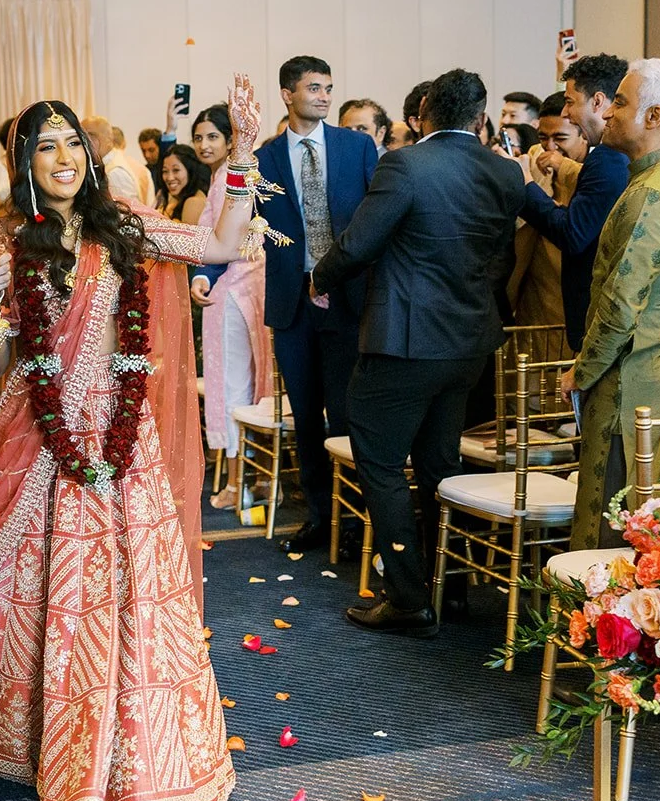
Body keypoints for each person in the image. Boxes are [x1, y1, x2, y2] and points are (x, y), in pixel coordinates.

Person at [0, 82, 270, 801]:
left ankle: (135, 747)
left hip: (124, 443)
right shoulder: (4, 237)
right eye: (45, 147)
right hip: (40, 437)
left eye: (72, 145)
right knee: (35, 587)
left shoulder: (124, 224)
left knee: (132, 592)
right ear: (23, 163)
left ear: (89, 156)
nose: (62, 159)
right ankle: (36, 732)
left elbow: (220, 243)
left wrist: (243, 158)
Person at [311, 69, 525, 635]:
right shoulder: (505, 171)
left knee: (380, 461)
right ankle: (448, 589)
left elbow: (359, 244)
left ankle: (408, 597)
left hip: (404, 341)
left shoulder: (405, 164)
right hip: (469, 342)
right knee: (439, 464)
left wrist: (318, 279)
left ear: (423, 113)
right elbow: (501, 258)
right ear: (481, 117)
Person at [565, 59, 660, 549]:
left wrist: (581, 371)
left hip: (635, 394)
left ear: (654, 116)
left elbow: (620, 308)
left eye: (620, 102)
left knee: (617, 553)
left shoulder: (656, 193)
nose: (607, 113)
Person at [255, 55, 379, 553]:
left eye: (328, 87)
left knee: (347, 415)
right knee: (306, 416)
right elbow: (241, 221)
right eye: (313, 88)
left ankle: (353, 522)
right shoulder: (262, 159)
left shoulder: (356, 146)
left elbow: (375, 217)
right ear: (288, 94)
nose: (324, 96)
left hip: (347, 296)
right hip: (293, 300)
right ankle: (319, 515)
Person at [519, 54, 631, 353]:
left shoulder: (608, 159)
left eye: (570, 101)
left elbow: (573, 234)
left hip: (597, 321)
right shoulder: (615, 155)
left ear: (597, 101)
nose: (565, 112)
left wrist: (526, 185)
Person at [187, 105, 267, 510]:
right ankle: (254, 478)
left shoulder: (233, 177)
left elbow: (227, 240)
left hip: (235, 288)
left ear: (231, 139)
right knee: (245, 385)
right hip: (243, 286)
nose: (204, 144)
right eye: (198, 138)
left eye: (212, 137)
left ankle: (240, 484)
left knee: (233, 387)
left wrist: (205, 276)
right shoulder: (225, 176)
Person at [160, 143, 209, 224]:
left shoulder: (193, 202)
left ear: (190, 171)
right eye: (165, 171)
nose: (170, 178)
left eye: (176, 170)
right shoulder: (176, 198)